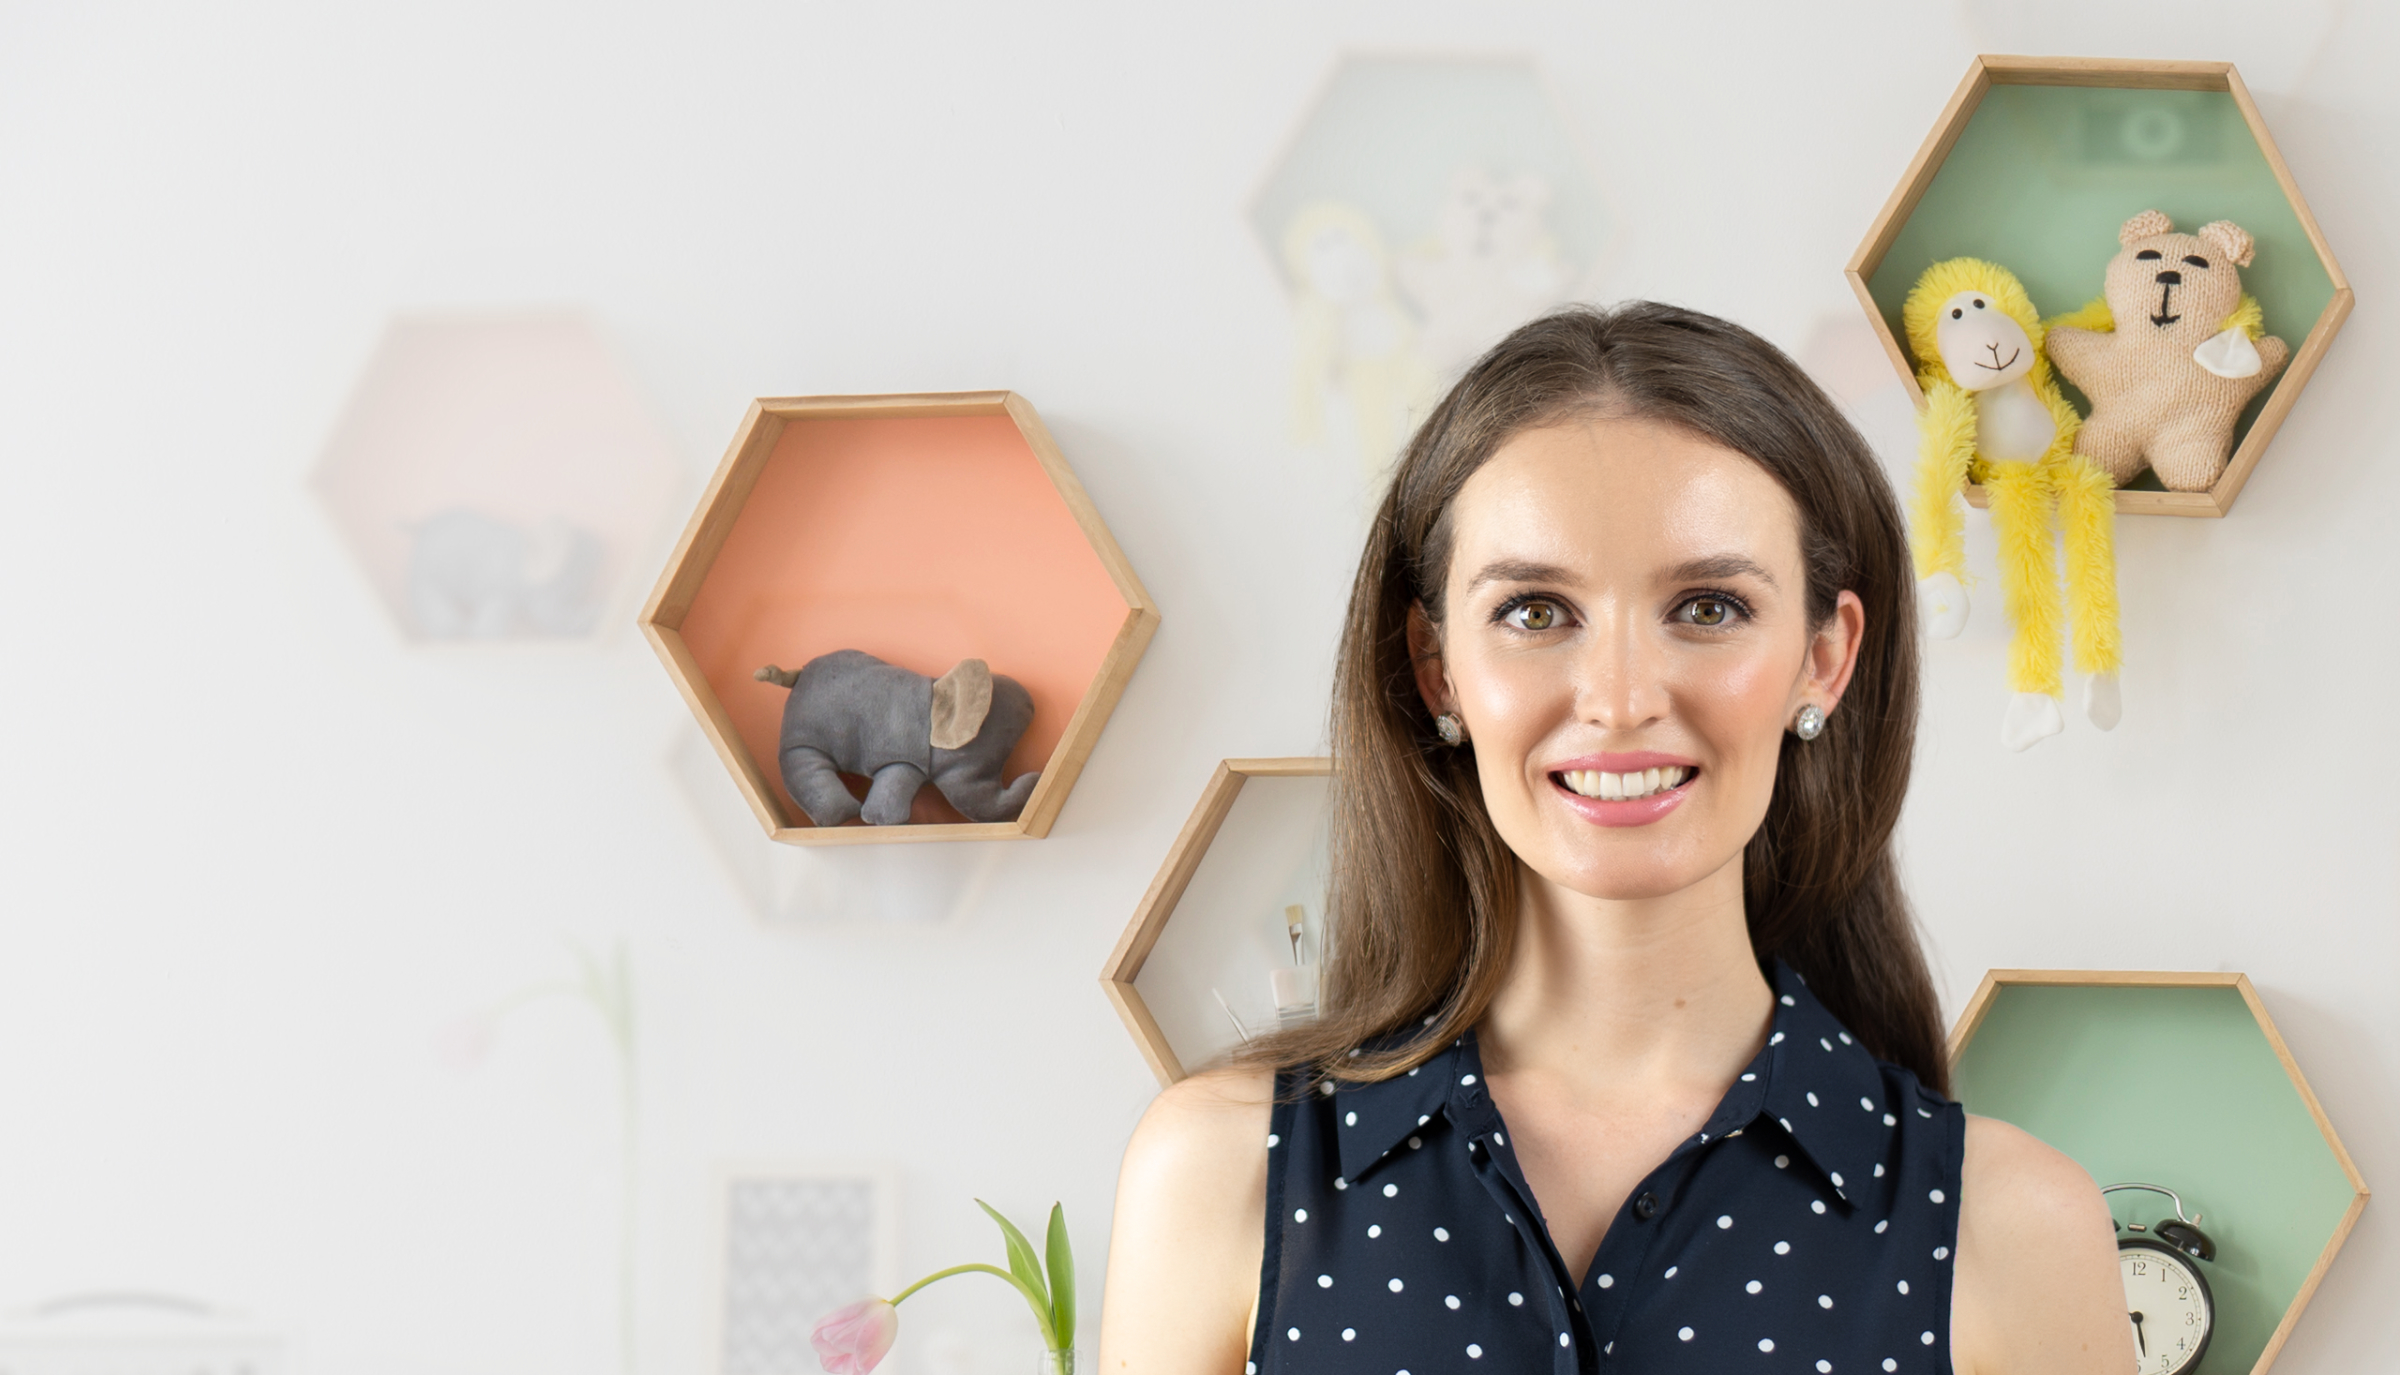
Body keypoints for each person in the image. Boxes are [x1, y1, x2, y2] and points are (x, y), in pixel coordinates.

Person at [1097, 304, 2128, 1373]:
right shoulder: (1220, 1177)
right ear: (1437, 663)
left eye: (1710, 607)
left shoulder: (2014, 1233)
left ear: (1825, 656)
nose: (1622, 698)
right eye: (1537, 612)